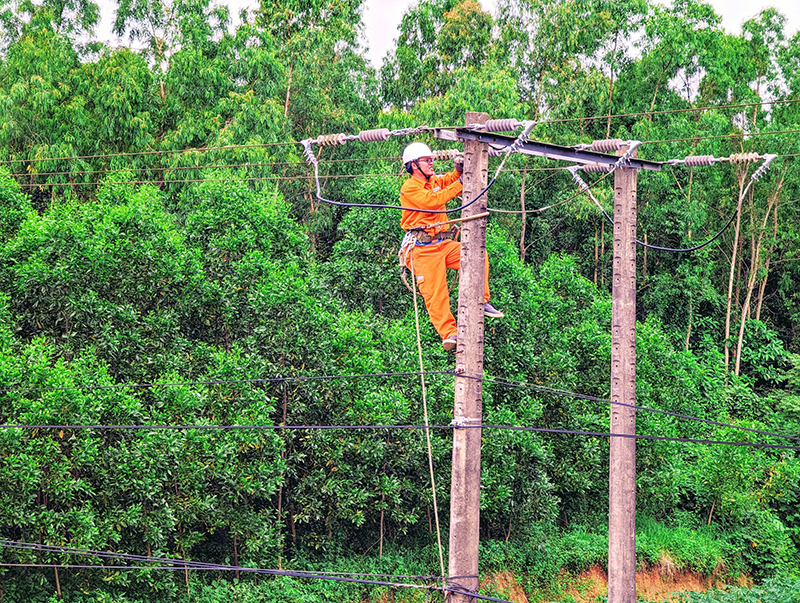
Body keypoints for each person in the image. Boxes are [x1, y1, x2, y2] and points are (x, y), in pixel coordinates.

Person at [399, 142, 503, 352]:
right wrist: (460, 183)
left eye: (431, 160)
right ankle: (450, 333)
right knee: (437, 294)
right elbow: (432, 202)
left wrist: (458, 172)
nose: (431, 163)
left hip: (442, 244)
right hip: (421, 250)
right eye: (426, 161)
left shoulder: (433, 181)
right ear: (413, 166)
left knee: (478, 255)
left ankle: (481, 301)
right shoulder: (410, 187)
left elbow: (446, 181)